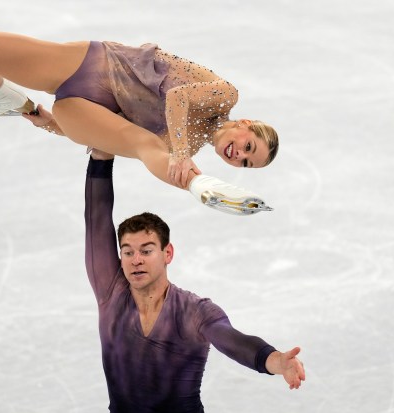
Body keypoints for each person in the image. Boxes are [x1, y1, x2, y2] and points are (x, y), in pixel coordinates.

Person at [0, 31, 278, 215]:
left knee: (145, 146)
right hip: (94, 64)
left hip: (82, 109)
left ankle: (201, 186)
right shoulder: (224, 96)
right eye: (248, 147)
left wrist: (48, 123)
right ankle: (1, 96)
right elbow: (178, 98)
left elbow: (113, 131)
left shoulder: (184, 148)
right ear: (245, 124)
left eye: (245, 163)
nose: (238, 155)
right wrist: (177, 153)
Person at [83, 147, 305, 412]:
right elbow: (96, 219)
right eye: (127, 252)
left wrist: (274, 360)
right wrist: (101, 157)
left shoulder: (194, 312)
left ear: (168, 253)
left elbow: (233, 341)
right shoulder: (112, 292)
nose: (136, 260)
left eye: (146, 250)